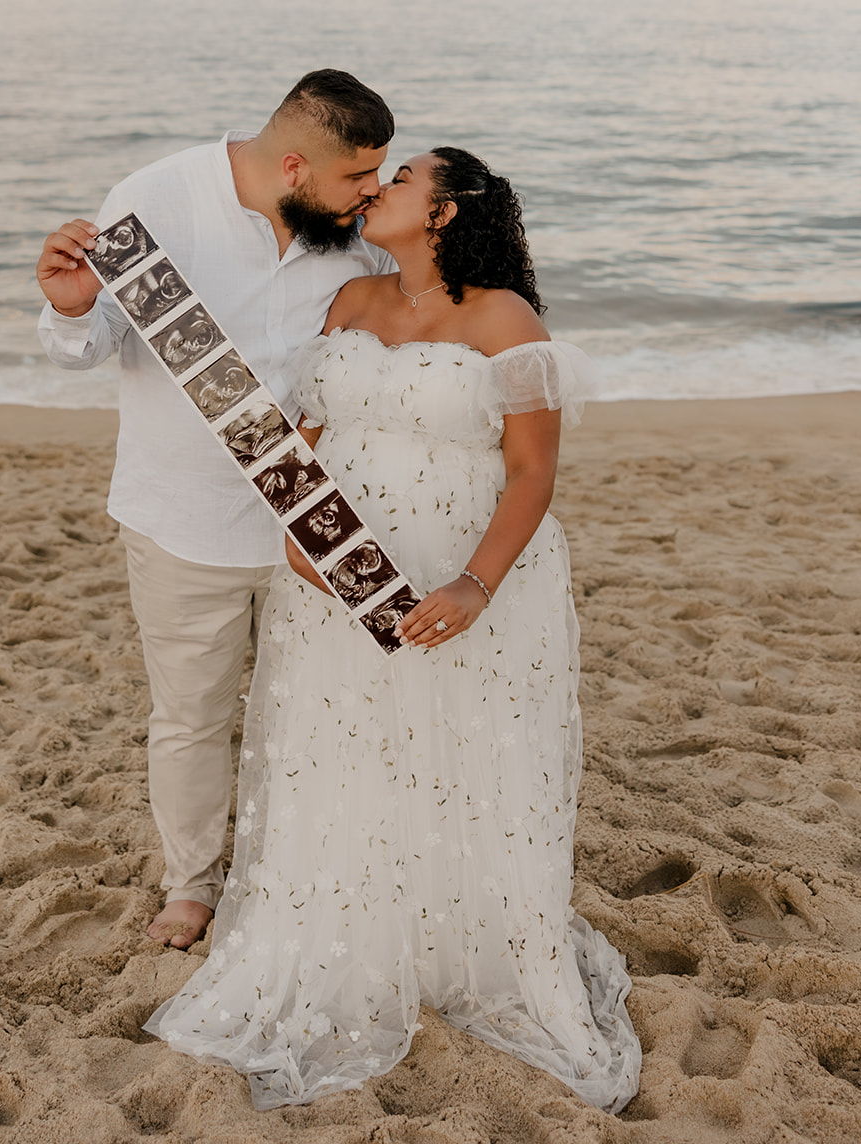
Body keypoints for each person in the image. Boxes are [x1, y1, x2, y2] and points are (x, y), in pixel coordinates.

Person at [144, 147, 642, 1114]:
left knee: (461, 746)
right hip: (342, 580)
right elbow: (310, 440)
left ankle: (462, 936)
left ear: (448, 211)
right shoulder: (350, 306)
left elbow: (532, 473)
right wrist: (300, 532)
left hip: (460, 567)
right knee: (343, 746)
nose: (376, 189)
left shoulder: (504, 320)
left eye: (402, 177)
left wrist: (472, 584)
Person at [35, 70, 395, 950]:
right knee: (191, 715)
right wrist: (70, 310)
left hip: (315, 525)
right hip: (181, 516)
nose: (371, 195)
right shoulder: (156, 196)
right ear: (294, 164)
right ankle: (192, 885)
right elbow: (92, 345)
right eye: (356, 178)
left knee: (319, 709)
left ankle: (304, 870)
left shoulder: (360, 234)